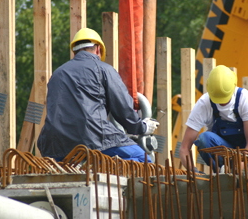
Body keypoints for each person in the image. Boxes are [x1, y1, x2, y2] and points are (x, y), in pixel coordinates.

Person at [37, 28, 159, 162]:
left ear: (74, 51)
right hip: (93, 138)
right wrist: (142, 127)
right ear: (98, 49)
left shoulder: (57, 74)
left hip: (54, 145)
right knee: (144, 160)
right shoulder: (103, 69)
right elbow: (122, 108)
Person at [179, 65, 248, 171]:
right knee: (204, 138)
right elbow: (184, 148)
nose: (222, 103)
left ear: (234, 87)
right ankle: (221, 172)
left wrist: (242, 162)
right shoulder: (204, 104)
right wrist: (194, 173)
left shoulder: (244, 98)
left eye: (225, 99)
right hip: (226, 154)